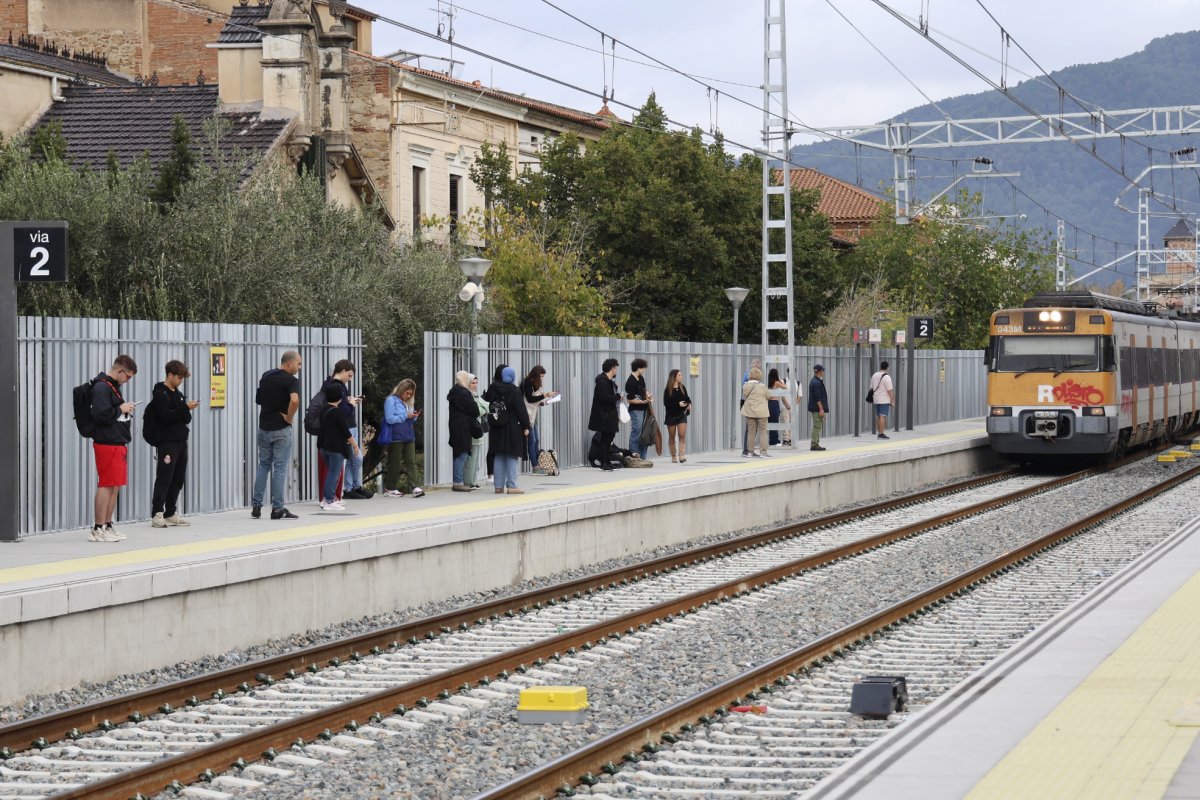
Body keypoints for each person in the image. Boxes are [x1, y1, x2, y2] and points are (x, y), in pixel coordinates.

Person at [88, 354, 138, 542]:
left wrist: (123, 408)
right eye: (128, 376)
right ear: (120, 371)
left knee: (114, 486)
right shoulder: (102, 387)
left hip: (117, 442)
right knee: (106, 485)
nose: (128, 380)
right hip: (107, 443)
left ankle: (108, 525)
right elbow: (100, 414)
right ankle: (97, 528)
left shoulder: (112, 387)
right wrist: (121, 409)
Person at [251, 350, 302, 520]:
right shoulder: (292, 381)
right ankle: (277, 508)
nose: (299, 367)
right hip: (280, 429)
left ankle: (256, 506)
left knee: (263, 465)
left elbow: (258, 399)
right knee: (279, 468)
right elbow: (294, 400)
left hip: (263, 427)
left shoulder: (266, 376)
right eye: (298, 364)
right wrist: (289, 417)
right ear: (289, 363)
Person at [150, 360, 199, 528]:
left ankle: (170, 512)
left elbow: (186, 418)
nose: (180, 381)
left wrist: (186, 408)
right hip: (167, 441)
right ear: (170, 375)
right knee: (165, 476)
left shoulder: (177, 394)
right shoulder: (160, 394)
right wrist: (183, 408)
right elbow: (165, 417)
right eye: (179, 378)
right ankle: (157, 513)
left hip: (181, 441)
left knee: (178, 478)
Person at [317, 360, 369, 501]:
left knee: (337, 468)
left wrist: (348, 401)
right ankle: (336, 496)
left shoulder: (328, 385)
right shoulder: (338, 387)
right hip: (343, 430)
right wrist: (351, 404)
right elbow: (343, 412)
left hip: (330, 437)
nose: (349, 379)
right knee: (342, 466)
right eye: (350, 375)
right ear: (343, 371)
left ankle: (342, 492)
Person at [486, 366, 531, 494]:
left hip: (496, 427)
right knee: (511, 455)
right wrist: (526, 426)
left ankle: (498, 486)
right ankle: (512, 485)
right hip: (512, 427)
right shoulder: (515, 391)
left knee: (499, 455)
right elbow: (521, 411)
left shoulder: (493, 388)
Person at [317, 384, 360, 511]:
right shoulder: (337, 412)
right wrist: (355, 446)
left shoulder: (324, 409)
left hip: (323, 447)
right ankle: (330, 500)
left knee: (331, 473)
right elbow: (346, 432)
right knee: (334, 474)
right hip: (335, 448)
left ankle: (326, 500)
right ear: (340, 398)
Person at [381, 378, 424, 497]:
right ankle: (390, 488)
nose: (408, 395)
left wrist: (414, 416)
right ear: (401, 390)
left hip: (409, 435)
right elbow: (389, 419)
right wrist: (405, 416)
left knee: (411, 461)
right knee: (395, 463)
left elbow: (409, 418)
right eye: (407, 392)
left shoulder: (408, 402)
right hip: (396, 436)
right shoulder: (391, 400)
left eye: (411, 393)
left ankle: (414, 487)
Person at [522, 365, 560, 472]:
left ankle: (538, 463)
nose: (542, 379)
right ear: (536, 375)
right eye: (541, 376)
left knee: (536, 440)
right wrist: (545, 395)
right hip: (528, 415)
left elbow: (536, 400)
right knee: (532, 440)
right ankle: (535, 466)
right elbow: (529, 399)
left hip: (534, 414)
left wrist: (545, 401)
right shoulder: (528, 382)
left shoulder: (537, 383)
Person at [447, 371, 480, 492]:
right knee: (463, 453)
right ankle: (458, 482)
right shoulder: (464, 393)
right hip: (464, 427)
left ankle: (458, 480)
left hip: (455, 426)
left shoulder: (453, 391)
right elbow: (474, 410)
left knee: (458, 453)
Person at [588, 358, 621, 471]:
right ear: (612, 368)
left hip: (608, 415)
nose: (616, 371)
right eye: (616, 368)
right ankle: (604, 462)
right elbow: (605, 398)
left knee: (609, 438)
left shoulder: (607, 381)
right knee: (605, 439)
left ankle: (607, 461)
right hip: (604, 416)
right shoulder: (602, 382)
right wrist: (618, 396)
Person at [483, 363, 508, 480]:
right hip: (505, 420)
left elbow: (488, 400)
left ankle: (491, 475)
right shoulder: (508, 387)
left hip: (494, 419)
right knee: (503, 447)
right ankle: (501, 474)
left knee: (492, 447)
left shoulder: (493, 386)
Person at [662, 368, 692, 463]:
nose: (681, 377)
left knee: (682, 435)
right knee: (672, 436)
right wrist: (677, 404)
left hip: (681, 414)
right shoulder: (668, 390)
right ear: (674, 377)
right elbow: (666, 403)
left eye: (681, 375)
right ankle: (673, 455)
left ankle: (682, 455)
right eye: (679, 375)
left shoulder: (682, 387)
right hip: (671, 415)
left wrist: (689, 404)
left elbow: (687, 398)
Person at [465, 374, 489, 488]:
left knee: (476, 458)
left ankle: (473, 481)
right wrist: (483, 408)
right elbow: (479, 410)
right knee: (471, 458)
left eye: (476, 383)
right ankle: (469, 481)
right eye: (472, 383)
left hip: (478, 430)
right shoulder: (468, 396)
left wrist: (483, 408)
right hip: (472, 430)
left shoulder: (476, 396)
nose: (475, 385)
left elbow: (486, 406)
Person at [741, 366, 771, 457]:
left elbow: (745, 395)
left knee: (751, 432)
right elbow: (768, 396)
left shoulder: (745, 386)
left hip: (750, 411)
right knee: (762, 431)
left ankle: (750, 452)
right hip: (762, 412)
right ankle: (763, 452)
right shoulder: (762, 386)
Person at [625, 358, 652, 459]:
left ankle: (643, 456)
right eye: (643, 368)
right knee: (636, 431)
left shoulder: (641, 378)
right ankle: (634, 455)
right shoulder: (630, 382)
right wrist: (641, 401)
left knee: (644, 433)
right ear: (638, 368)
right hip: (636, 410)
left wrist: (648, 396)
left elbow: (644, 391)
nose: (644, 370)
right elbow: (630, 400)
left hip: (644, 408)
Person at [741, 358, 761, 456]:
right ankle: (747, 450)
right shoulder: (750, 376)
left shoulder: (747, 375)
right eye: (758, 367)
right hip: (752, 406)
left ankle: (748, 450)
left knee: (750, 428)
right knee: (750, 428)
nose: (759, 369)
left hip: (750, 405)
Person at [870, 361, 894, 440]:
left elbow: (871, 387)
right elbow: (889, 390)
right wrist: (892, 400)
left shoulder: (874, 375)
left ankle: (880, 432)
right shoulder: (887, 377)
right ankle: (880, 434)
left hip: (876, 399)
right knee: (883, 416)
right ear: (887, 367)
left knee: (879, 416)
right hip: (884, 399)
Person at [767, 367, 789, 447]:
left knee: (771, 421)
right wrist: (779, 380)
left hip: (769, 403)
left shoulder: (768, 382)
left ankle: (772, 440)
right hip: (774, 403)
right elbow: (785, 387)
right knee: (775, 422)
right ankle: (774, 441)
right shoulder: (776, 382)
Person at [808, 364, 828, 451]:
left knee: (818, 425)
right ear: (819, 372)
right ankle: (814, 444)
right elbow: (818, 397)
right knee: (817, 426)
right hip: (816, 408)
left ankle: (816, 443)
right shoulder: (816, 383)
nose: (823, 373)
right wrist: (821, 409)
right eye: (822, 371)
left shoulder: (815, 381)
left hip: (815, 408)